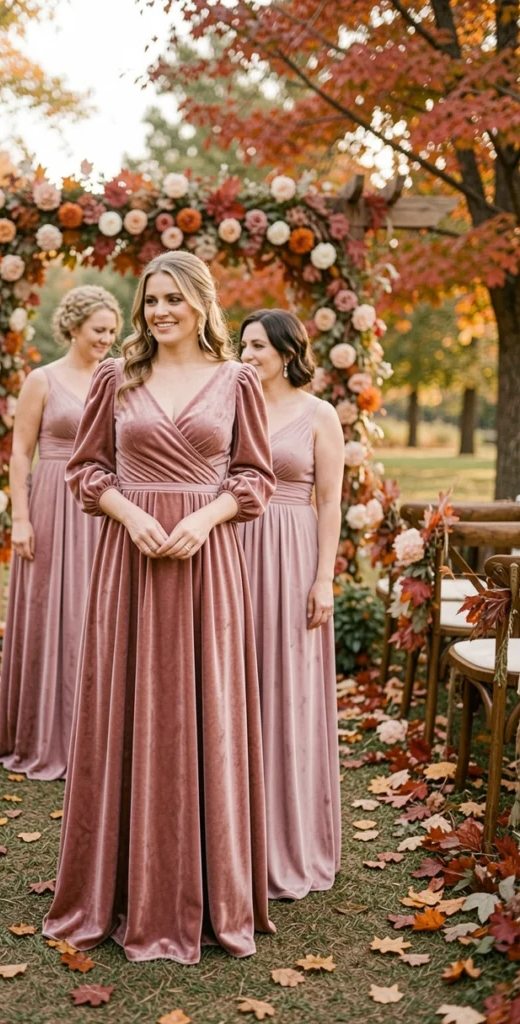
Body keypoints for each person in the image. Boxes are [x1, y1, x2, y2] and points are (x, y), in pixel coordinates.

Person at [43, 251, 276, 964]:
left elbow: (254, 477)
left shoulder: (237, 380)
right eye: (150, 301)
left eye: (173, 298)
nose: (160, 311)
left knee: (208, 712)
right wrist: (126, 513)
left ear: (201, 302)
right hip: (129, 563)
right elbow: (86, 469)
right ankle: (114, 888)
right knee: (125, 706)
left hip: (208, 567)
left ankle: (212, 890)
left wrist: (202, 521)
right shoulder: (117, 377)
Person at [0, 285, 122, 780]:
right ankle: (44, 734)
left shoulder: (119, 379)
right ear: (73, 327)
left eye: (113, 331)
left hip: (106, 505)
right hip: (52, 501)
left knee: (100, 610)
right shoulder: (42, 380)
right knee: (51, 613)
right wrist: (20, 518)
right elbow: (21, 452)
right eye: (99, 331)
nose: (108, 339)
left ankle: (99, 736)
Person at [239, 308, 344, 899]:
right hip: (235, 552)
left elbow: (329, 502)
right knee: (235, 683)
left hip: (294, 552)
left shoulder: (318, 414)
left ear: (285, 351)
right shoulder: (233, 403)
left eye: (258, 345)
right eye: (243, 344)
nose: (247, 354)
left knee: (287, 688)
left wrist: (323, 578)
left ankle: (289, 836)